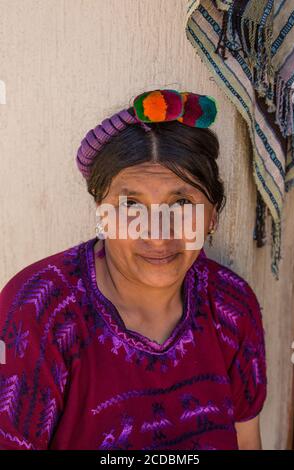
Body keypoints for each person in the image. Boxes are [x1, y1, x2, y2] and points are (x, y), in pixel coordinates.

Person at [0, 89, 267, 450]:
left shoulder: (232, 306)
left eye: (182, 202)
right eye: (130, 204)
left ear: (212, 214)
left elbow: (247, 440)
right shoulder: (40, 311)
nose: (157, 233)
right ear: (102, 212)